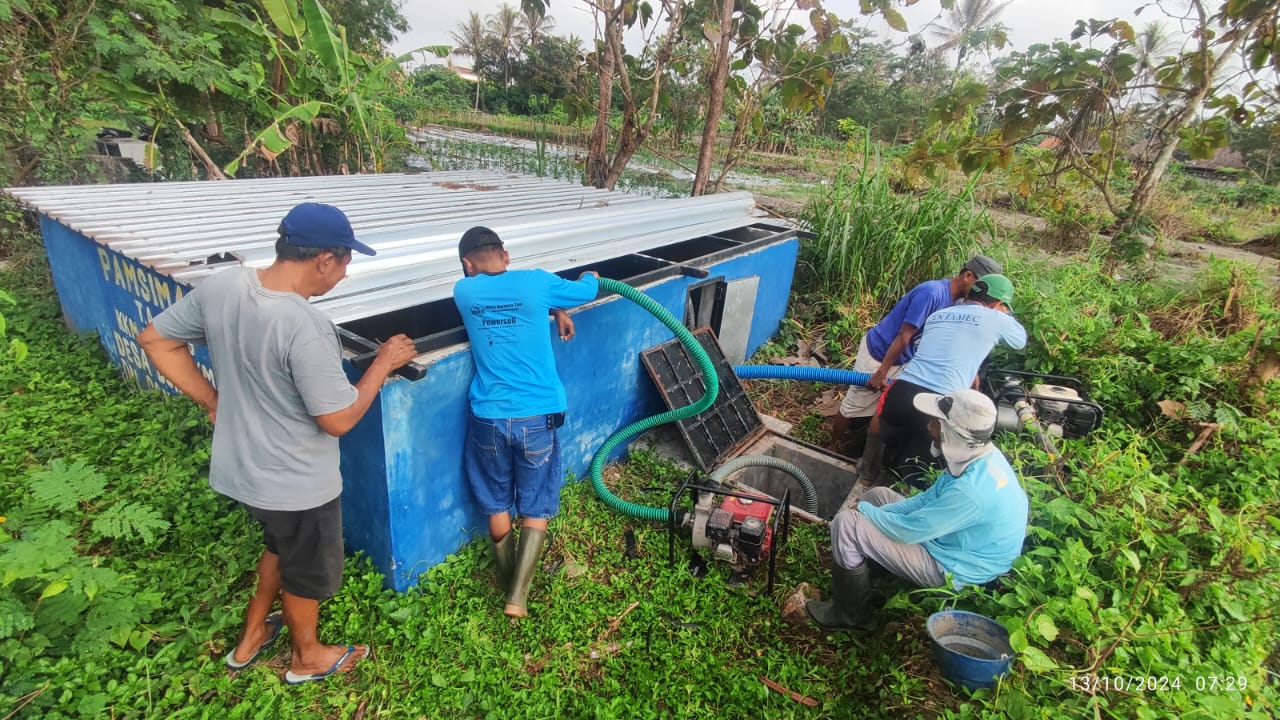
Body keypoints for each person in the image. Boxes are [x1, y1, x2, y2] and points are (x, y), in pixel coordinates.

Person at [138, 203, 419, 684]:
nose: (345, 274)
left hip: (244, 470)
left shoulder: (224, 286)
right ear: (324, 260)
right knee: (305, 571)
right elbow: (337, 419)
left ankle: (250, 638)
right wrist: (382, 365)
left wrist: (213, 401)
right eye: (346, 261)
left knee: (279, 546)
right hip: (296, 483)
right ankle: (306, 656)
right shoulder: (304, 326)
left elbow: (155, 340)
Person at [452, 225, 599, 619]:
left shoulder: (463, 292)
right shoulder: (536, 283)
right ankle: (517, 596)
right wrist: (588, 280)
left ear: (468, 264)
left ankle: (504, 579)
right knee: (535, 497)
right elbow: (586, 291)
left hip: (488, 417)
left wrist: (555, 309)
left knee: (496, 496)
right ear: (507, 254)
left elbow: (505, 300)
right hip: (537, 415)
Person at [807, 389, 1029, 631]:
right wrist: (871, 509)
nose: (929, 427)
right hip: (955, 545)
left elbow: (909, 531)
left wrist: (865, 513)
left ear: (954, 434)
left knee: (846, 524)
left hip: (958, 570)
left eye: (936, 423)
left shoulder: (971, 493)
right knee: (877, 496)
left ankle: (850, 615)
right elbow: (927, 500)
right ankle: (872, 568)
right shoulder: (979, 458)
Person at [830, 255, 1002, 458]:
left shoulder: (955, 303)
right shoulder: (932, 293)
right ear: (968, 276)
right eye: (979, 287)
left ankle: (868, 453)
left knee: (885, 404)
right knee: (854, 405)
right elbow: (904, 335)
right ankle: (832, 446)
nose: (981, 297)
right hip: (880, 354)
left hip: (905, 357)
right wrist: (881, 372)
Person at [864, 274, 1027, 487]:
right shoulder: (997, 318)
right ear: (998, 303)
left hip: (902, 391)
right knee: (918, 468)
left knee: (883, 427)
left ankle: (867, 470)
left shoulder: (940, 314)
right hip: (940, 403)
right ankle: (895, 493)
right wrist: (1002, 314)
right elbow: (1020, 341)